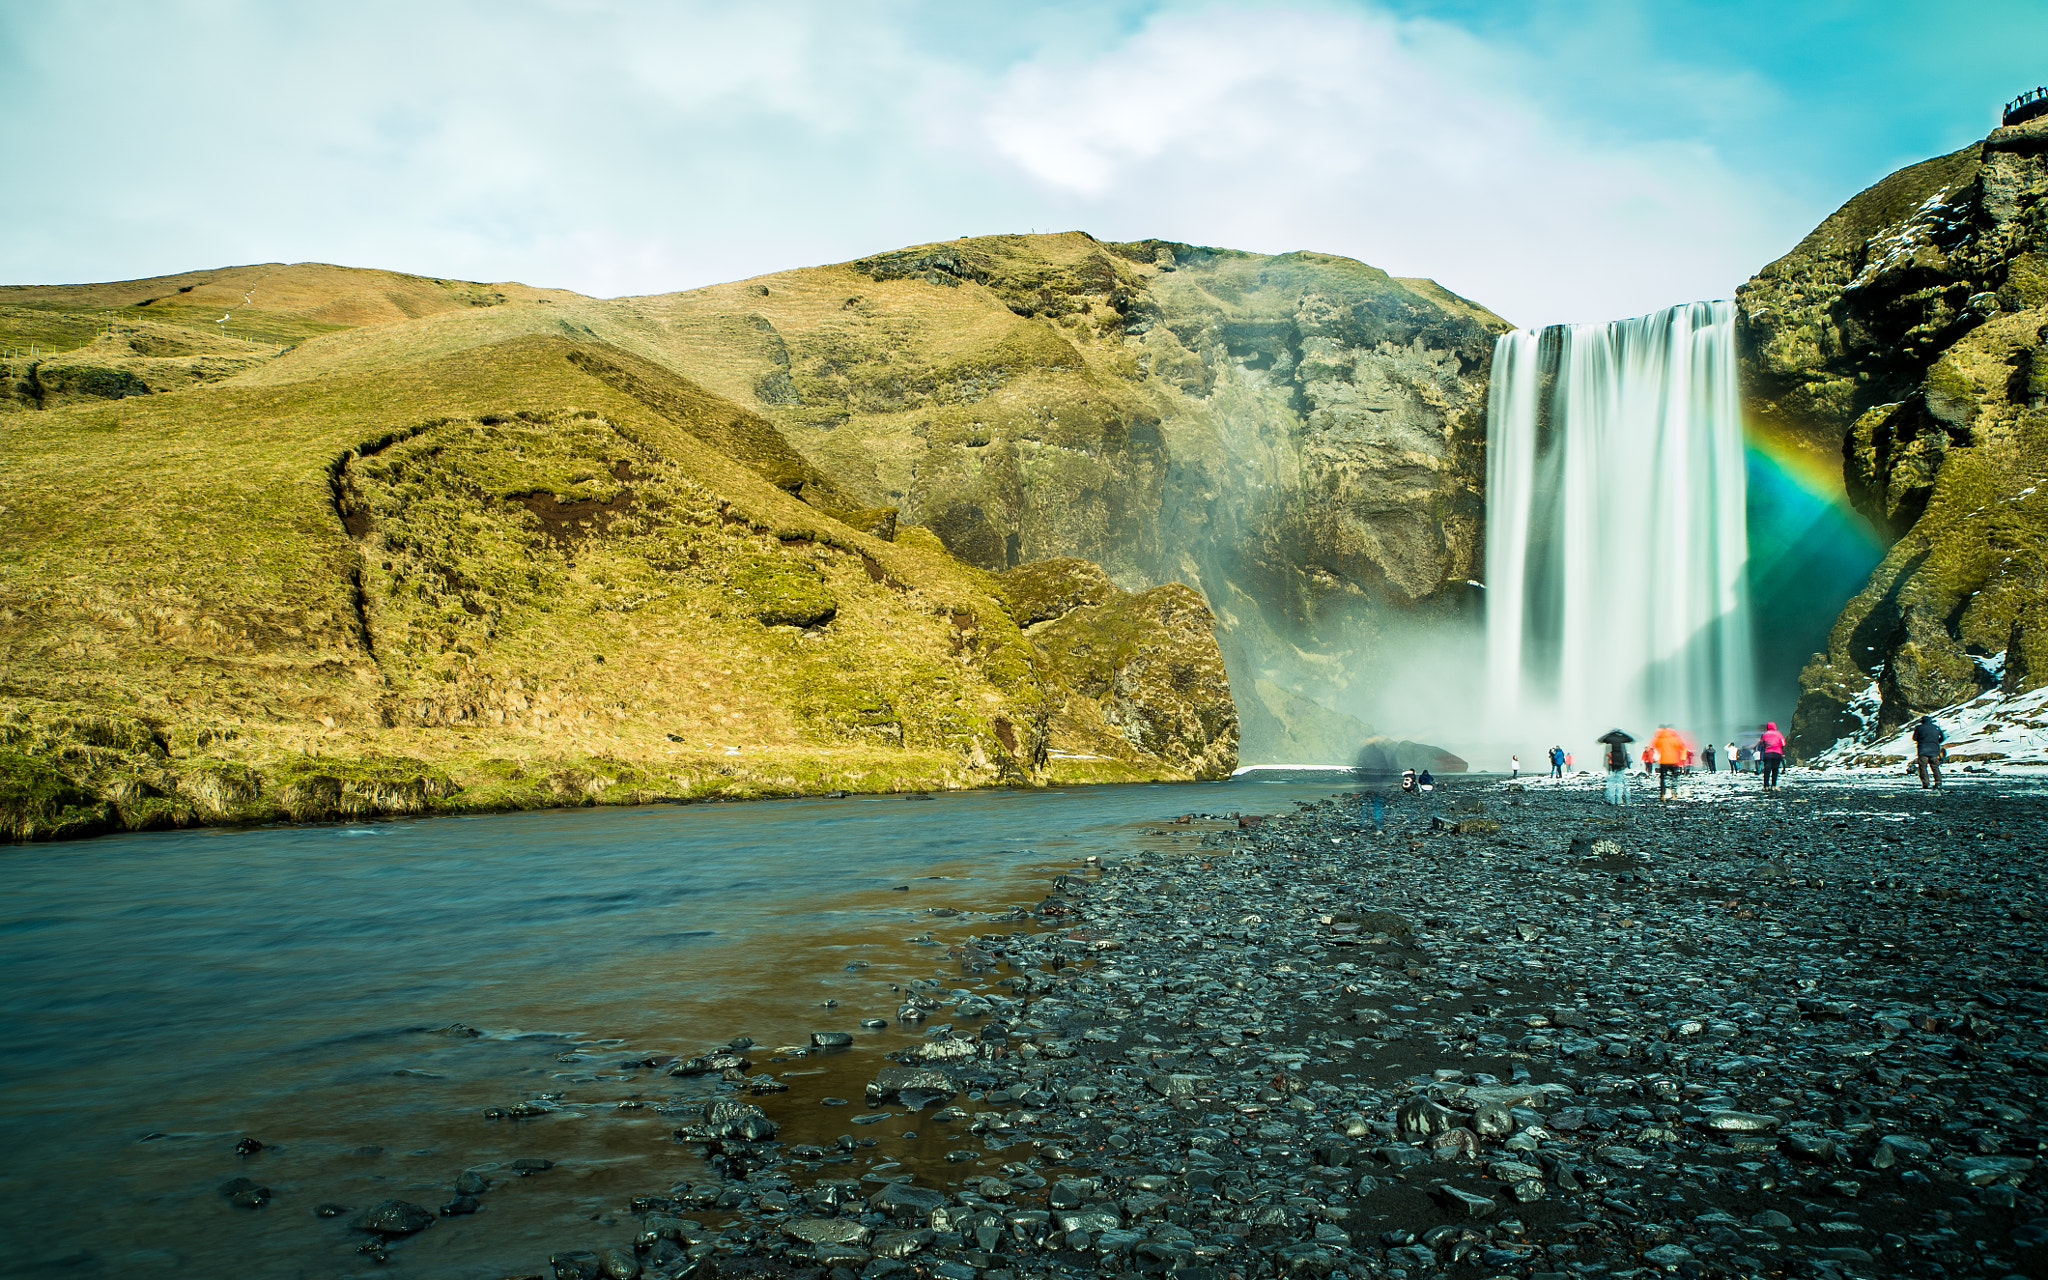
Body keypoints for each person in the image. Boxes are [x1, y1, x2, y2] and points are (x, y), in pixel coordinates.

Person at [1649, 724, 1687, 801]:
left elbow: (1654, 745)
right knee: (1674, 777)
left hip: (1663, 761)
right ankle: (1674, 793)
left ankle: (1662, 794)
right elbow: (1682, 747)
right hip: (1673, 761)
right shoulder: (1675, 738)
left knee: (1663, 778)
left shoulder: (1660, 738)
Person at [1911, 715, 1946, 789]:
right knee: (1935, 767)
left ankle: (1926, 783)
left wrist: (1921, 741)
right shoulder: (1936, 727)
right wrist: (1936, 742)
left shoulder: (1919, 728)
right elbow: (1943, 737)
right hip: (1934, 750)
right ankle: (1938, 782)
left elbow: (1914, 738)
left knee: (1923, 768)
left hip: (1923, 750)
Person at [1758, 721, 1787, 789]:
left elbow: (1762, 744)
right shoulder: (1779, 734)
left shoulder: (1764, 734)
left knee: (1767, 770)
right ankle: (1773, 785)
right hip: (1777, 754)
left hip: (1767, 754)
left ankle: (1766, 785)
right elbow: (1783, 743)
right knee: (1775, 770)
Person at [1603, 737, 1632, 806]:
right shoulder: (1622, 747)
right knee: (1620, 784)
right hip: (1620, 767)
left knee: (1611, 784)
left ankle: (1611, 801)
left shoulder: (1610, 745)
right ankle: (1619, 801)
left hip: (1612, 767)